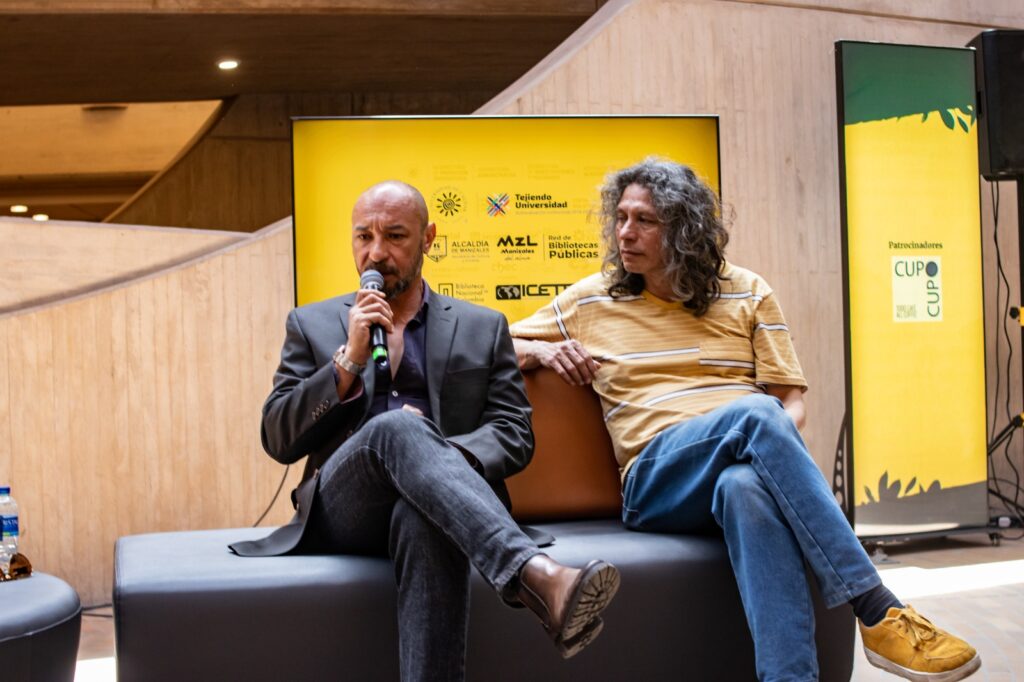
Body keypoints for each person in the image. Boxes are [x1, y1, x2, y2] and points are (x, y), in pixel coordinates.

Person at [509, 158, 980, 682]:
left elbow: (791, 403)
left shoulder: (749, 292)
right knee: (755, 415)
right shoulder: (592, 299)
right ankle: (876, 607)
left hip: (735, 458)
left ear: (684, 228)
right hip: (655, 480)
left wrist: (767, 433)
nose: (625, 233)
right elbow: (494, 341)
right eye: (620, 217)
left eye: (645, 220)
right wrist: (542, 352)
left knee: (745, 487)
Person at [229, 180, 619, 681]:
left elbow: (514, 432)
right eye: (363, 237)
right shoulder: (311, 324)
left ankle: (512, 562)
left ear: (428, 238)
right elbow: (277, 437)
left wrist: (435, 456)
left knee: (422, 514)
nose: (376, 253)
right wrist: (346, 362)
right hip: (345, 508)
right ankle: (535, 576)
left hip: (440, 510)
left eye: (395, 237)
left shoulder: (482, 326)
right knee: (395, 429)